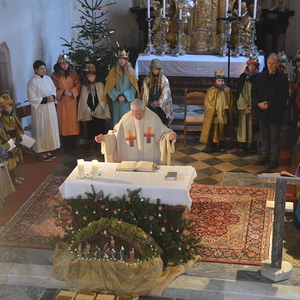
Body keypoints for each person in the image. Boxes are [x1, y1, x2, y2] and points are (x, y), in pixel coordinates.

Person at [95, 99, 177, 165]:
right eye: (135, 114)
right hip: (131, 160)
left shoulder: (153, 118)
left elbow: (163, 134)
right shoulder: (125, 119)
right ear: (131, 110)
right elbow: (115, 135)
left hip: (150, 158)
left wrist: (169, 136)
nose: (138, 116)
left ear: (144, 109)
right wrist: (105, 138)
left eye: (140, 114)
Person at [252, 53, 289, 170]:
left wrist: (268, 104)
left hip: (274, 113)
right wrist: (258, 103)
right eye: (268, 63)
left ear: (277, 64)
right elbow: (254, 92)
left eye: (273, 64)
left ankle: (274, 159)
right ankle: (265, 156)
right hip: (262, 112)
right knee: (265, 137)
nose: (270, 66)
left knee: (274, 138)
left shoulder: (282, 78)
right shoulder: (261, 77)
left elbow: (283, 96)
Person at [27, 60, 60, 162]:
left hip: (50, 108)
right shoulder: (32, 82)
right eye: (41, 69)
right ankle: (40, 151)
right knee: (41, 129)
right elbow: (32, 98)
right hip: (40, 110)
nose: (44, 70)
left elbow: (53, 90)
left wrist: (53, 96)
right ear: (35, 69)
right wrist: (45, 99)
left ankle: (47, 150)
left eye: (44, 68)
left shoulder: (48, 78)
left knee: (49, 128)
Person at [51, 54, 81, 153]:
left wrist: (72, 91)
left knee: (73, 123)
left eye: (66, 64)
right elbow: (52, 89)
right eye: (63, 64)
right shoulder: (55, 75)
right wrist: (63, 92)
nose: (65, 66)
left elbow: (78, 85)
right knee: (63, 123)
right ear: (59, 64)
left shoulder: (73, 74)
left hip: (72, 101)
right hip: (61, 102)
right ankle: (66, 145)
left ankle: (73, 144)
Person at [102, 50, 139, 128]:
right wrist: (118, 95)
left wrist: (125, 96)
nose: (122, 61)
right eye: (120, 59)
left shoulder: (130, 71)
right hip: (116, 102)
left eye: (124, 59)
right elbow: (109, 86)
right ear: (118, 60)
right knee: (116, 122)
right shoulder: (113, 71)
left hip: (127, 102)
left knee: (127, 122)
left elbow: (133, 87)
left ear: (126, 60)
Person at [78, 64, 110, 151]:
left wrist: (97, 110)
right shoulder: (85, 86)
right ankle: (92, 143)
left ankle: (100, 144)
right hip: (89, 111)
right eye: (88, 77)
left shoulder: (100, 85)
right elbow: (83, 100)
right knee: (91, 127)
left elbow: (102, 99)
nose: (90, 78)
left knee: (100, 126)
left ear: (95, 76)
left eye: (92, 76)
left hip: (99, 110)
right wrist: (89, 110)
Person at [200, 70, 234, 153]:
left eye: (222, 81)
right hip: (215, 113)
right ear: (215, 81)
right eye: (218, 81)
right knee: (214, 129)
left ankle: (222, 145)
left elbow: (230, 101)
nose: (220, 82)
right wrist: (212, 110)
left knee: (222, 129)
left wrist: (227, 108)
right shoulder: (211, 90)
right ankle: (213, 145)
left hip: (223, 113)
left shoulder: (227, 90)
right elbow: (207, 102)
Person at [236, 56, 260, 153]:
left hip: (254, 105)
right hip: (244, 105)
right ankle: (243, 145)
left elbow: (260, 93)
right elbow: (238, 92)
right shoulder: (242, 77)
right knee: (244, 125)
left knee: (254, 125)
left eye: (254, 66)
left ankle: (254, 145)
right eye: (250, 65)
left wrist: (253, 106)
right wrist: (244, 106)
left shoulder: (259, 77)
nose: (251, 68)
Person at [141, 58, 173, 126]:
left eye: (157, 70)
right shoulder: (147, 80)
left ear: (159, 70)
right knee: (150, 123)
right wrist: (150, 102)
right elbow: (145, 93)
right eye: (153, 70)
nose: (155, 71)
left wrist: (158, 103)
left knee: (160, 122)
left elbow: (166, 94)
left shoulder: (164, 80)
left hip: (160, 106)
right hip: (150, 105)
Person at [0, 94, 24, 183]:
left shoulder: (13, 116)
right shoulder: (3, 118)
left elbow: (18, 127)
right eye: (5, 107)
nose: (8, 109)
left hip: (15, 139)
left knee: (17, 158)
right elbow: (5, 131)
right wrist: (11, 133)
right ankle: (13, 178)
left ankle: (17, 175)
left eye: (9, 107)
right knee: (12, 160)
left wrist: (19, 136)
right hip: (9, 140)